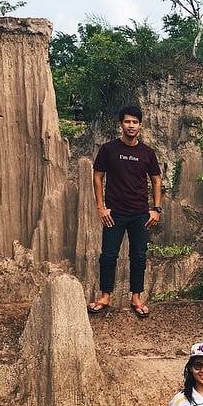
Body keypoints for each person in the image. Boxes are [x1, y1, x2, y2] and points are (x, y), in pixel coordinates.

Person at [87, 105, 162, 319]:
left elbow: (156, 180)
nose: (131, 125)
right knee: (108, 255)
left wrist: (156, 209)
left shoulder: (147, 153)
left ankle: (136, 297)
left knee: (138, 256)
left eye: (135, 122)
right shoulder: (108, 149)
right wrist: (101, 207)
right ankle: (105, 296)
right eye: (127, 121)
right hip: (115, 214)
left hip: (140, 214)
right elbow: (98, 176)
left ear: (140, 125)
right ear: (121, 124)